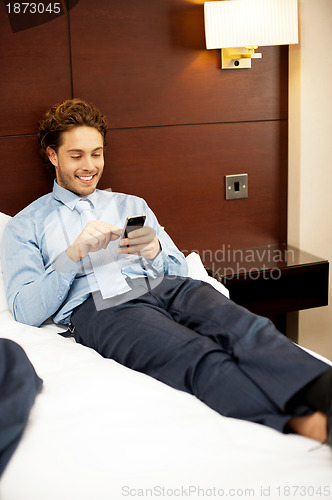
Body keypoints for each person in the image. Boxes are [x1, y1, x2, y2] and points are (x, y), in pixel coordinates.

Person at [1, 98, 331, 448]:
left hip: (167, 286)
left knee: (249, 329)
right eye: (76, 155)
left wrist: (154, 250)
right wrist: (73, 255)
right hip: (102, 307)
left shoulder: (132, 205)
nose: (90, 166)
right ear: (53, 156)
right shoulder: (26, 225)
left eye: (96, 153)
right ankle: (304, 424)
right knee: (194, 355)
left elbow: (178, 269)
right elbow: (25, 310)